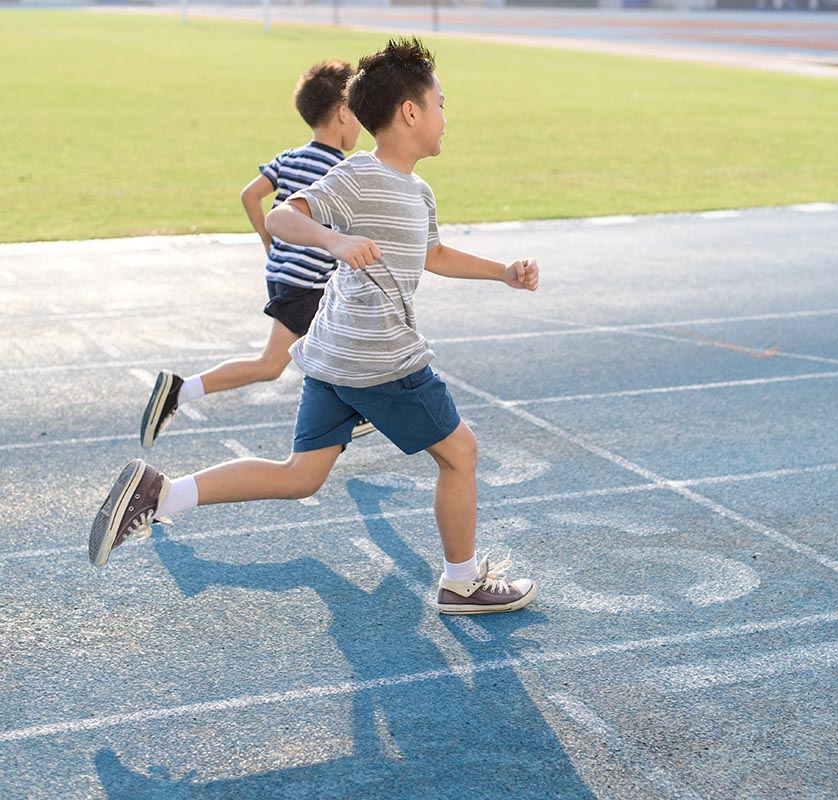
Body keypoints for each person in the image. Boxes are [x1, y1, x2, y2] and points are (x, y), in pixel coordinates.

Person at [90, 37, 539, 615]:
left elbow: (435, 254)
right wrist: (335, 238)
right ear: (410, 112)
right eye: (441, 104)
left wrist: (503, 271)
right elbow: (281, 213)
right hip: (380, 361)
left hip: (332, 358)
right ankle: (462, 580)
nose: (445, 117)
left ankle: (160, 494)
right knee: (461, 453)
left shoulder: (418, 192)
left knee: (301, 475)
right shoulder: (356, 176)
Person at [139, 60, 372, 449]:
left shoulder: (290, 157)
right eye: (358, 115)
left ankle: (354, 411)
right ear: (343, 113)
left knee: (340, 341)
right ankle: (180, 391)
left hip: (284, 275)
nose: (361, 125)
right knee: (272, 365)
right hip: (305, 283)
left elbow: (250, 195)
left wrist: (270, 241)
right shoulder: (341, 171)